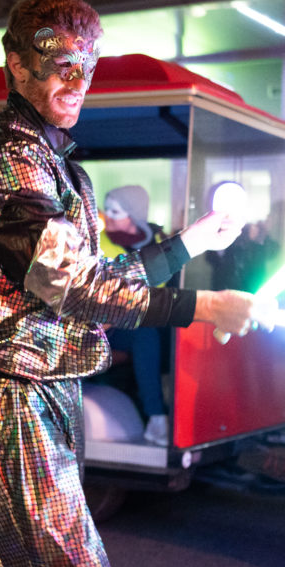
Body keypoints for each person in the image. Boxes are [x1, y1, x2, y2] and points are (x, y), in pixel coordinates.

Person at [0, 0, 265, 567]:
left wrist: (192, 241)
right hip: (12, 389)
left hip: (43, 381)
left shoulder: (54, 162)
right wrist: (201, 306)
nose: (78, 82)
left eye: (88, 67)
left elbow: (96, 275)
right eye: (62, 64)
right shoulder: (8, 156)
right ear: (17, 65)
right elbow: (73, 285)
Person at [99, 184, 170, 445]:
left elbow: (159, 286)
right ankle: (156, 415)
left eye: (115, 211)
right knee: (145, 333)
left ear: (134, 215)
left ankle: (158, 416)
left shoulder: (157, 244)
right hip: (101, 324)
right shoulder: (98, 241)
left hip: (133, 318)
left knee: (153, 332)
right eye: (106, 209)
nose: (108, 216)